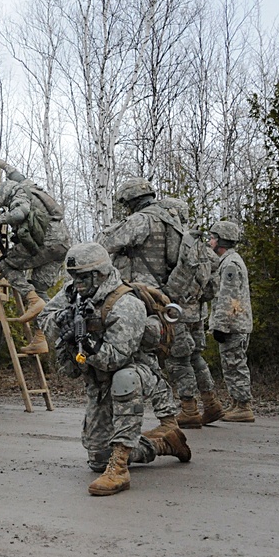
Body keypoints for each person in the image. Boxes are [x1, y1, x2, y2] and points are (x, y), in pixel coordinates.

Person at [38, 243, 191, 496]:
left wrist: (89, 345)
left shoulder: (126, 304)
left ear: (99, 274)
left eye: (82, 277)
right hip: (99, 381)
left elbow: (118, 358)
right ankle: (164, 445)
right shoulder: (73, 293)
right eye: (73, 276)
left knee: (124, 378)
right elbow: (44, 319)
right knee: (97, 458)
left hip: (137, 371)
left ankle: (119, 467)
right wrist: (61, 321)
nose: (76, 282)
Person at [97, 177, 182, 435]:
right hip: (159, 297)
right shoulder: (170, 220)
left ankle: (157, 421)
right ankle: (168, 418)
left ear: (131, 201)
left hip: (137, 297)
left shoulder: (142, 220)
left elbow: (104, 245)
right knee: (150, 354)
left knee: (135, 357)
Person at [0, 159, 70, 354]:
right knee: (40, 287)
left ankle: (31, 299)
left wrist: (2, 218)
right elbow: (16, 174)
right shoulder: (27, 186)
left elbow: (20, 213)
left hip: (47, 243)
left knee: (6, 266)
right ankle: (40, 339)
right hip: (62, 245)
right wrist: (3, 165)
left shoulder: (19, 197)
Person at [156, 198, 223, 427]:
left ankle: (189, 409)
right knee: (195, 358)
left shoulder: (179, 244)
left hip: (178, 312)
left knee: (177, 361)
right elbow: (213, 286)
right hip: (197, 313)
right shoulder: (201, 245)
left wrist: (165, 296)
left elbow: (179, 275)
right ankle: (212, 403)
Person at [207, 220, 255, 423]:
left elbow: (229, 298)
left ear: (221, 241)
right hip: (235, 324)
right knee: (230, 365)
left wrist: (221, 325)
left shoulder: (230, 265)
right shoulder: (227, 261)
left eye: (212, 237)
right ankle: (237, 402)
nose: (209, 241)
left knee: (235, 365)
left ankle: (243, 405)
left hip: (234, 326)